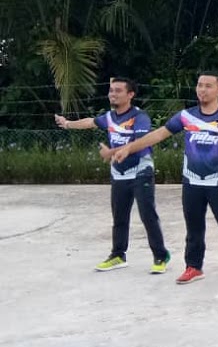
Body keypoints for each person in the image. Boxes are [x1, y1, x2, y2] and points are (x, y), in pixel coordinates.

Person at [114, 72, 218, 285]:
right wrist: (129, 148)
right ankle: (193, 267)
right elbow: (158, 134)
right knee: (193, 228)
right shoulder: (186, 116)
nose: (202, 90)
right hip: (191, 183)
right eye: (200, 85)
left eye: (208, 86)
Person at [55, 78, 171, 273]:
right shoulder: (109, 117)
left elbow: (141, 142)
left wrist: (111, 152)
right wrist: (67, 124)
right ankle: (118, 255)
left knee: (147, 215)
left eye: (118, 90)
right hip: (119, 174)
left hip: (141, 171)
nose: (112, 94)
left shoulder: (139, 117)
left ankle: (160, 256)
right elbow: (90, 122)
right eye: (111, 90)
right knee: (119, 217)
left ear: (130, 95)